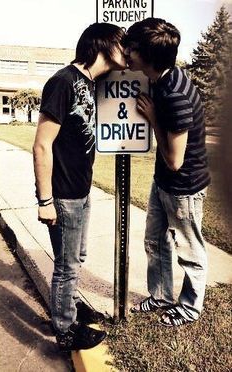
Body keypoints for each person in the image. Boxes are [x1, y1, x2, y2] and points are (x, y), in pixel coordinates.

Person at [33, 22, 126, 352]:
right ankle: (65, 329)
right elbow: (42, 145)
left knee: (76, 256)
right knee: (67, 265)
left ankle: (70, 306)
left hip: (81, 190)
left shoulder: (92, 82)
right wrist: (44, 200)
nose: (127, 50)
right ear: (102, 45)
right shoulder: (62, 82)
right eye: (122, 44)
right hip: (63, 194)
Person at [124, 18, 211, 327]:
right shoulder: (163, 78)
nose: (126, 52)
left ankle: (189, 308)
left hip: (183, 186)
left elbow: (175, 160)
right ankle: (160, 295)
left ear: (145, 56)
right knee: (155, 241)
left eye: (131, 48)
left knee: (189, 249)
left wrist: (152, 119)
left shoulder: (174, 94)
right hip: (164, 181)